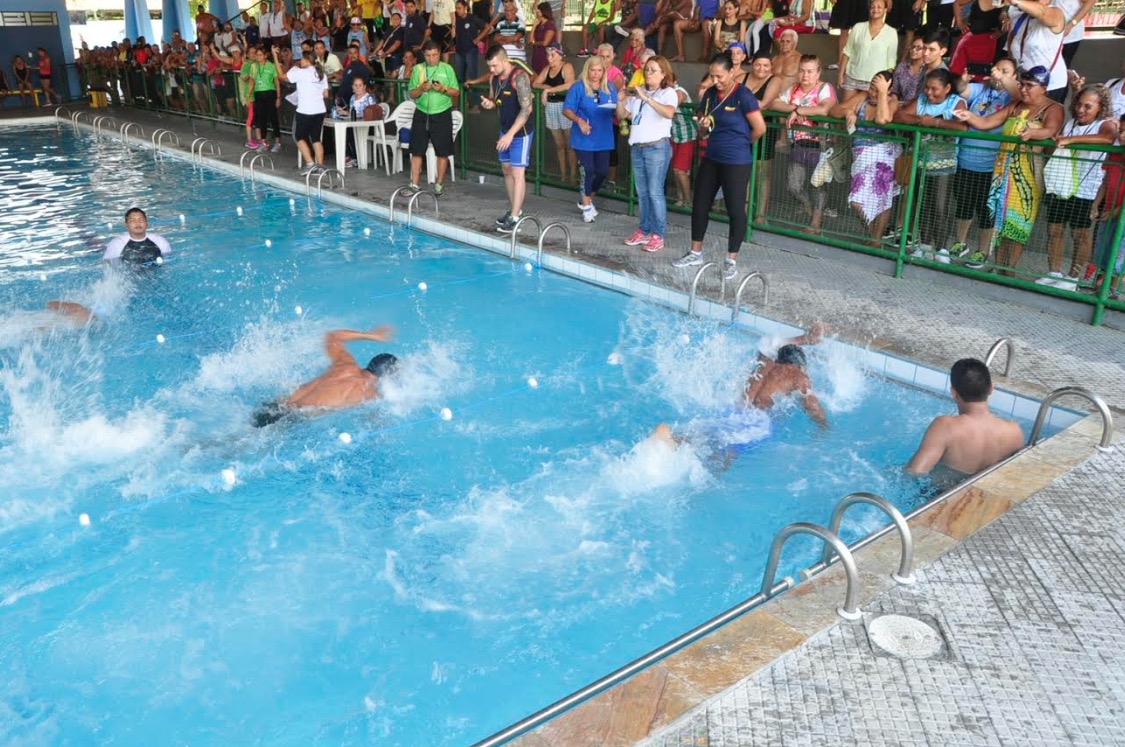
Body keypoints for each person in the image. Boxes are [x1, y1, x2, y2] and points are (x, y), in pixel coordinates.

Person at [952, 65, 1063, 276]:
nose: (1024, 90)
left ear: (1044, 88)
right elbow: (986, 122)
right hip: (1002, 172)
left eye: (1030, 86)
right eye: (1022, 85)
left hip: (1027, 174)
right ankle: (1000, 267)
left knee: (1019, 223)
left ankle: (1009, 270)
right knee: (1001, 221)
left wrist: (1033, 133)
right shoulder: (1015, 105)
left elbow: (1051, 130)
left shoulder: (1053, 108)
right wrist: (967, 115)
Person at [671, 52, 766, 278]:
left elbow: (760, 128)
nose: (715, 81)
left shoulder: (743, 95)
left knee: (735, 210)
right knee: (700, 204)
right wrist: (703, 126)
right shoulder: (710, 95)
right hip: (711, 157)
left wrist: (742, 145)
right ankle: (695, 253)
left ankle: (730, 260)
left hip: (736, 161)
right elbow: (703, 130)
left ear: (732, 72)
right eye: (712, 76)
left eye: (720, 76)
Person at [1036, 84, 1117, 290]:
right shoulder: (1071, 122)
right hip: (1061, 184)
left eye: (1088, 106)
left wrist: (1070, 140)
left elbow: (1108, 138)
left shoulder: (1105, 124)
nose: (1081, 110)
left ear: (1100, 107)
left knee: (1081, 234)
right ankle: (1054, 272)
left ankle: (1072, 278)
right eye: (1079, 104)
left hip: (1086, 189)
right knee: (1054, 229)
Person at [949, 57, 1018, 268]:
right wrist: (963, 79)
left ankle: (982, 251)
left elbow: (1017, 92)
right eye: (997, 69)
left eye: (1005, 71)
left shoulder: (1012, 96)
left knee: (985, 210)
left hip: (991, 166)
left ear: (1014, 76)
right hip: (965, 160)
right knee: (963, 205)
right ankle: (960, 243)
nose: (999, 73)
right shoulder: (981, 88)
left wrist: (1003, 80)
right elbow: (961, 90)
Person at [252, 326, 397, 427]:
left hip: (279, 403)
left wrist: (373, 335)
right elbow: (375, 420)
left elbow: (332, 336)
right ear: (385, 377)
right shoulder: (370, 394)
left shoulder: (346, 364)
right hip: (291, 418)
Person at [893, 67, 968, 259]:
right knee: (923, 205)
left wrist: (934, 123)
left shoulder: (956, 102)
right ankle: (924, 245)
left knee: (940, 207)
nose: (929, 92)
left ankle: (941, 248)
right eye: (927, 87)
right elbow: (900, 115)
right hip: (920, 162)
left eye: (934, 89)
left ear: (947, 88)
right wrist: (920, 120)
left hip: (944, 164)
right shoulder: (921, 100)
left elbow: (961, 127)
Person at [905, 358, 1023, 476]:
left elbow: (915, 472)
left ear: (953, 392)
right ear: (991, 388)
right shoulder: (1014, 430)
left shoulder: (945, 427)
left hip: (944, 491)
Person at [770, 54, 837, 234]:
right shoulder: (793, 89)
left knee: (819, 185)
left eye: (809, 71)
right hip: (798, 143)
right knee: (793, 185)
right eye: (801, 71)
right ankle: (808, 207)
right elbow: (775, 103)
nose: (805, 75)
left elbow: (824, 109)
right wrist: (794, 110)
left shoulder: (825, 88)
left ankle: (815, 224)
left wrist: (799, 110)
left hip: (821, 144)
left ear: (818, 72)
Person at [618, 55, 678, 252]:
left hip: (656, 148)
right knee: (642, 193)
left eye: (653, 70)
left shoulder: (668, 93)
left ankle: (658, 235)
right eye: (647, 69)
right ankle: (644, 231)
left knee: (655, 192)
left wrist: (647, 98)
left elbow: (669, 113)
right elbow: (623, 115)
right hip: (638, 148)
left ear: (663, 74)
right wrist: (620, 100)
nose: (649, 73)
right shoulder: (638, 93)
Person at [831, 69, 899, 245]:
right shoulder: (862, 97)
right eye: (872, 88)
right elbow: (834, 111)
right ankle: (871, 233)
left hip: (883, 154)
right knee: (856, 201)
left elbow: (883, 119)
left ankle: (876, 239)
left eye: (878, 89)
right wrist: (849, 112)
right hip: (860, 155)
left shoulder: (892, 101)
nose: (873, 93)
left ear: (889, 90)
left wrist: (883, 93)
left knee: (883, 198)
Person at [480, 45, 535, 232]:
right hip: (505, 129)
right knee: (506, 169)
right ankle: (515, 210)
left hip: (521, 132)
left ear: (505, 60)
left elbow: (527, 109)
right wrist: (489, 103)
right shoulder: (493, 79)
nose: (492, 69)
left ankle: (515, 218)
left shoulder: (519, 77)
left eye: (494, 65)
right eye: (490, 66)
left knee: (518, 172)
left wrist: (511, 134)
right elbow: (495, 99)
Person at [563, 55, 618, 224]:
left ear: (604, 72)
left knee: (602, 172)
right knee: (588, 170)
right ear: (587, 70)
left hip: (604, 136)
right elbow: (567, 109)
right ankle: (586, 207)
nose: (595, 74)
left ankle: (587, 198)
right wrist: (579, 121)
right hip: (584, 137)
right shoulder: (578, 87)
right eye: (592, 70)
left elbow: (617, 108)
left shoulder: (609, 87)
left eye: (599, 70)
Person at [986, 0, 1073, 103]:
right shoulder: (1018, 15)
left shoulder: (1056, 14)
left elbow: (1042, 12)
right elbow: (1012, 43)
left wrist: (1014, 1)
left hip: (1049, 85)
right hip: (1024, 83)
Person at [404, 41, 459, 195]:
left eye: (434, 55)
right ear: (424, 55)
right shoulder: (418, 69)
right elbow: (412, 94)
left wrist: (443, 89)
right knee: (416, 150)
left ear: (439, 54)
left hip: (442, 113)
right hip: (421, 112)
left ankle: (439, 184)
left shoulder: (447, 69)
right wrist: (421, 88)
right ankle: (414, 184)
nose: (431, 58)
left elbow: (456, 92)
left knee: (442, 151)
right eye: (428, 55)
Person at [273, 47, 329, 175]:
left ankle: (310, 163)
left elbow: (282, 76)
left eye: (301, 59)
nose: (300, 61)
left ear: (305, 60)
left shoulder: (301, 72)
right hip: (319, 110)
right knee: (315, 138)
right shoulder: (321, 73)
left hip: (305, 110)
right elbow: (325, 94)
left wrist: (275, 57)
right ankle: (320, 167)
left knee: (299, 136)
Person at [534, 43, 578, 183]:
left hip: (565, 106)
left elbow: (570, 84)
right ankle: (563, 175)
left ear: (560, 55)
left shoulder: (567, 67)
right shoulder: (547, 69)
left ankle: (572, 175)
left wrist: (549, 90)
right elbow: (535, 83)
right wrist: (545, 86)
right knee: (559, 144)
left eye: (553, 55)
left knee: (570, 144)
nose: (549, 58)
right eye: (548, 55)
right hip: (551, 107)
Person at [838, 0, 897, 94]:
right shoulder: (858, 27)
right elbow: (847, 52)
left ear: (885, 9)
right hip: (852, 77)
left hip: (874, 81)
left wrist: (886, 84)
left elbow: (890, 62)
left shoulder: (891, 32)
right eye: (872, 6)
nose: (875, 9)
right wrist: (840, 75)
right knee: (846, 108)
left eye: (879, 7)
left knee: (866, 108)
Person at [103, 207, 173, 263]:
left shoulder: (160, 241)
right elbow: (109, 266)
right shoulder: (116, 244)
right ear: (126, 225)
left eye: (141, 220)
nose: (138, 223)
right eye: (132, 221)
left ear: (146, 223)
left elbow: (168, 261)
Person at [528, 2, 558, 72]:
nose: (536, 13)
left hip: (546, 57)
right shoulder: (538, 25)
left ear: (543, 11)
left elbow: (545, 43)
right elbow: (529, 40)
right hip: (536, 56)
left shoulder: (550, 24)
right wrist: (534, 26)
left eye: (538, 11)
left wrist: (534, 43)